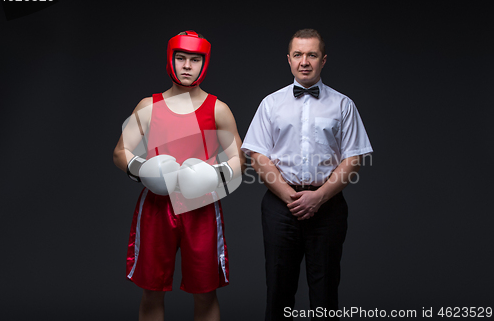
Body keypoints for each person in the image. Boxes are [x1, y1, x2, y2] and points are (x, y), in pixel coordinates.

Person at [113, 30, 245, 321]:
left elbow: (239, 158)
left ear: (204, 63)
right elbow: (120, 151)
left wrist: (215, 173)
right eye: (181, 58)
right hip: (157, 207)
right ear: (170, 61)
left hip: (202, 207)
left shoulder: (218, 109)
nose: (187, 65)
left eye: (194, 60)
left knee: (206, 291)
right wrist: (144, 169)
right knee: (151, 290)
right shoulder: (149, 106)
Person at [241, 28, 373, 320]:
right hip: (280, 206)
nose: (305, 61)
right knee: (278, 290)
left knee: (325, 294)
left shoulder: (343, 105)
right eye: (298, 54)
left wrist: (318, 197)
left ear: (323, 60)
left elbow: (353, 159)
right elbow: (257, 156)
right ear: (288, 59)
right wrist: (291, 197)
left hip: (327, 207)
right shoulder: (270, 104)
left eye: (311, 54)